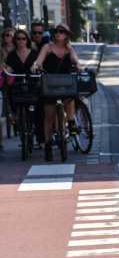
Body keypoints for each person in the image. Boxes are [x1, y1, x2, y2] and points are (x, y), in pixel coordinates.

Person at [33, 24, 80, 161]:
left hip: (64, 83)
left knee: (70, 97)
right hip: (50, 83)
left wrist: (78, 65)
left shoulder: (69, 49)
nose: (58, 34)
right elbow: (39, 61)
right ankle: (48, 146)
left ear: (66, 35)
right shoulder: (47, 47)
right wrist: (36, 66)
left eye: (62, 32)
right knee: (49, 115)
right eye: (57, 32)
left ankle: (71, 122)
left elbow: (75, 59)